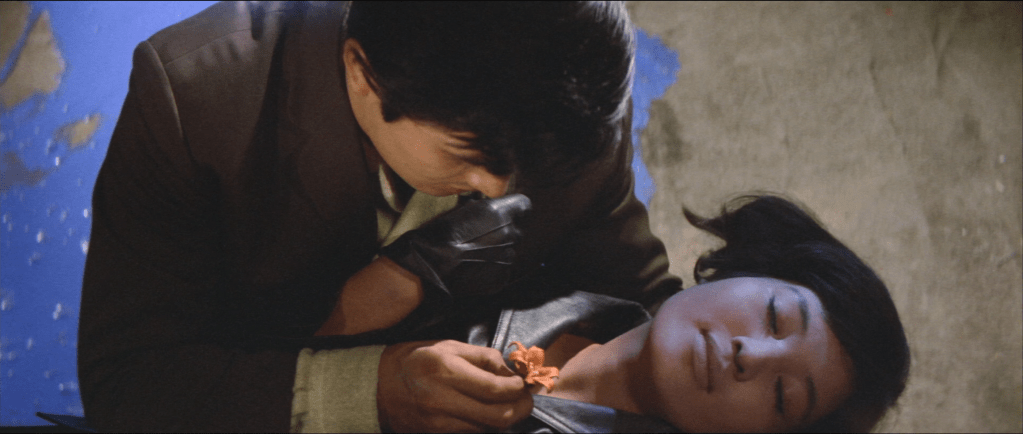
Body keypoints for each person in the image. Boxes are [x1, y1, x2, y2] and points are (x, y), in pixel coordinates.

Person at [78, 1, 680, 432]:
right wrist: (369, 390)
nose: (501, 191)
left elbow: (641, 304)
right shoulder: (195, 98)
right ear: (362, 74)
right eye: (470, 157)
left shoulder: (579, 99)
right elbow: (131, 382)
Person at [320, 194, 910, 433]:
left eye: (782, 396)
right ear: (751, 268)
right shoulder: (594, 259)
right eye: (776, 317)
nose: (748, 354)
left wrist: (361, 396)